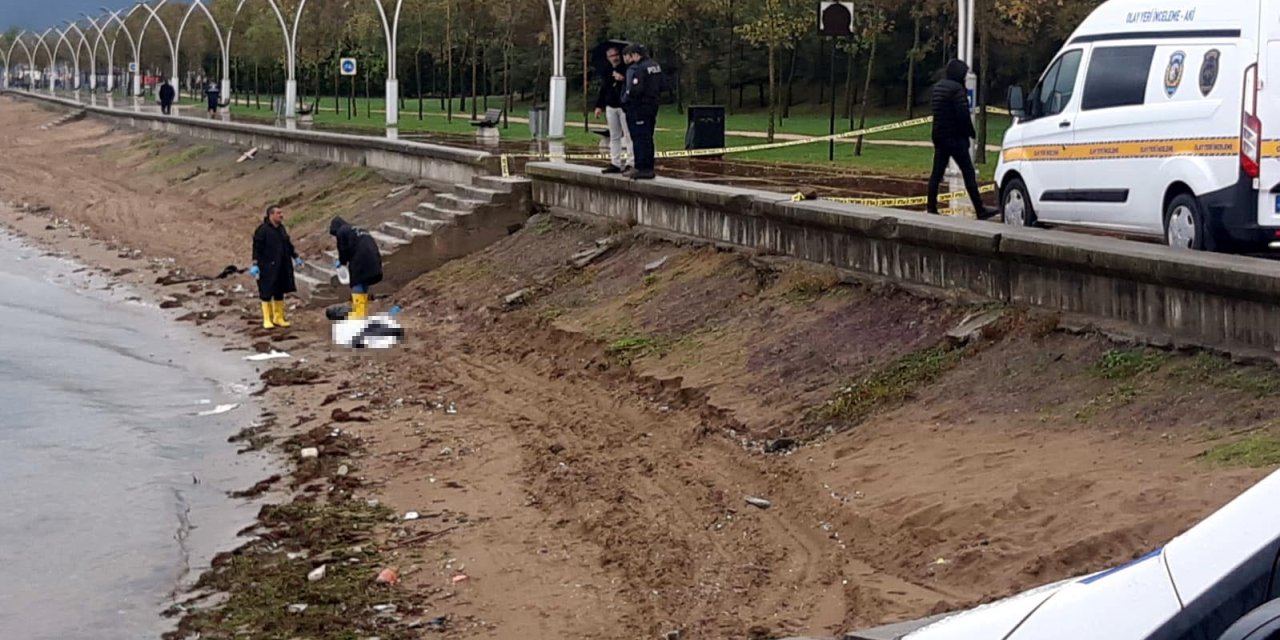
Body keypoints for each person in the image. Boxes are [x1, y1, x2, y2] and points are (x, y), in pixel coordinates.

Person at [927, 59, 994, 219]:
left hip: (940, 136)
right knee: (968, 172)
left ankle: (931, 207)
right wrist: (971, 133)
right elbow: (963, 115)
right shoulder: (957, 90)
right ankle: (980, 209)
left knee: (936, 173)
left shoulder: (938, 88)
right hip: (956, 138)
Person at [250, 204, 304, 329]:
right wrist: (255, 264)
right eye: (278, 213)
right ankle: (267, 319)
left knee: (280, 291)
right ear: (271, 215)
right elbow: (256, 248)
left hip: (282, 265)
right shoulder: (262, 230)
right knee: (266, 292)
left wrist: (295, 257)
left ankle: (278, 317)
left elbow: (288, 244)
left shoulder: (281, 229)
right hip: (266, 266)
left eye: (281, 212)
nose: (281, 215)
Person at [329, 216, 383, 321]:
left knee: (357, 282)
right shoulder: (358, 229)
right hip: (374, 256)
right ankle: (362, 312)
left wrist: (342, 262)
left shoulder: (341, 231)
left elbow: (343, 249)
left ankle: (358, 313)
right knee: (364, 282)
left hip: (361, 258)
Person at [621, 44, 662, 180]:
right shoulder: (655, 66)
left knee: (640, 139)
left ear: (636, 54)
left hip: (640, 107)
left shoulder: (640, 68)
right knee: (648, 137)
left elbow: (635, 90)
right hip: (652, 105)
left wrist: (627, 100)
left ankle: (642, 167)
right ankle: (648, 166)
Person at [595, 46, 632, 175]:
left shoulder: (627, 68)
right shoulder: (606, 70)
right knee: (614, 136)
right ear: (607, 58)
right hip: (611, 106)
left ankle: (630, 162)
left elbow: (632, 85)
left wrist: (622, 79)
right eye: (611, 56)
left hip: (624, 106)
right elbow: (604, 88)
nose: (614, 58)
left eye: (616, 55)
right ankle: (615, 162)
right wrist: (599, 106)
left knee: (628, 135)